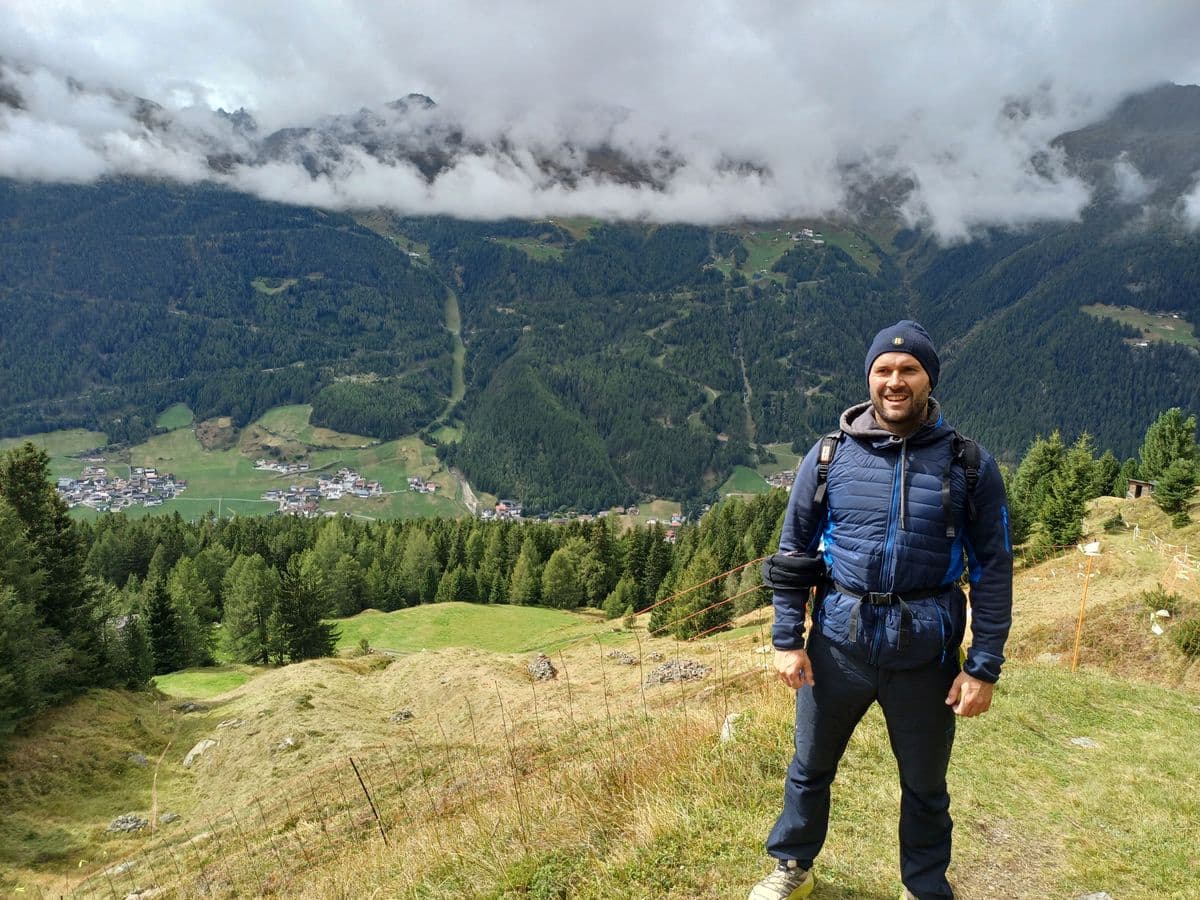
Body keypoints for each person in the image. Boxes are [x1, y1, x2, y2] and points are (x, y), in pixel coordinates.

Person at [748, 320, 1012, 900]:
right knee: (810, 766)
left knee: (924, 784)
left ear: (928, 380)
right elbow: (793, 553)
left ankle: (923, 884)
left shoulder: (969, 463)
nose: (895, 381)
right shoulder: (828, 457)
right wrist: (787, 638)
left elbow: (993, 568)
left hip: (927, 652)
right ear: (869, 379)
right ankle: (793, 865)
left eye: (908, 370)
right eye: (883, 371)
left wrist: (983, 665)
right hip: (838, 645)